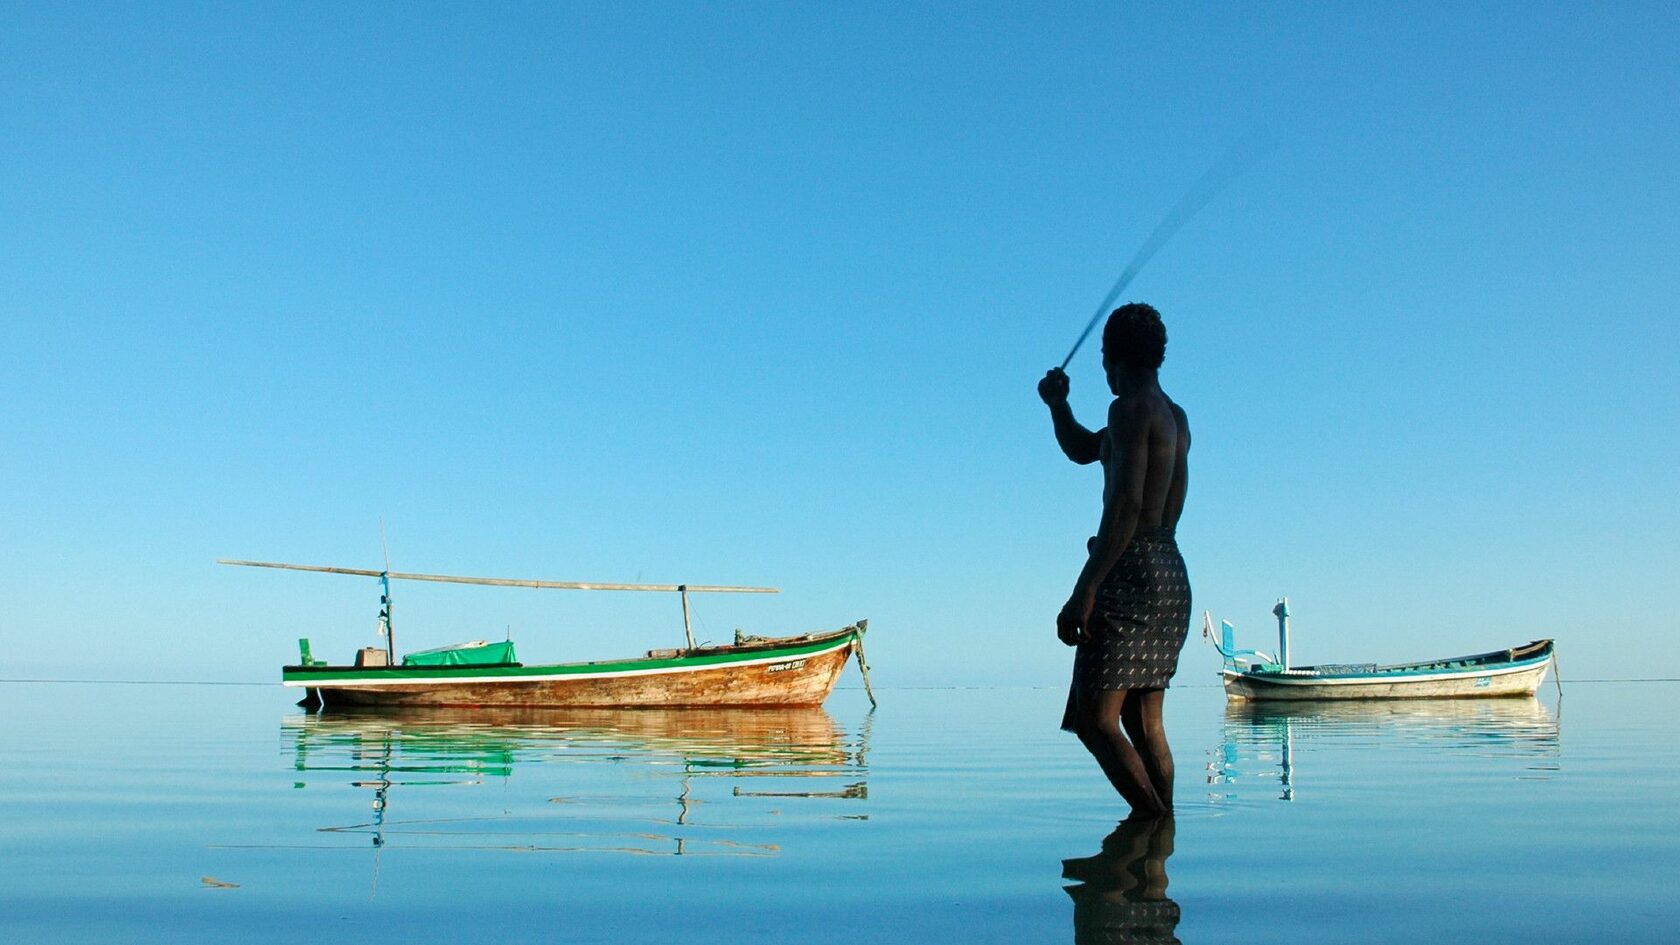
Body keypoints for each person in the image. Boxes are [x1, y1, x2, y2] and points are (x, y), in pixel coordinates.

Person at [1038, 302, 1190, 815]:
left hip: (1131, 566)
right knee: (1145, 723)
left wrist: (1085, 590)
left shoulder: (1127, 410)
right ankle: (1158, 860)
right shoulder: (1173, 416)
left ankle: (1151, 826)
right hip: (1170, 568)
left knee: (1094, 718)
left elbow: (1124, 504)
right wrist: (1059, 405)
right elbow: (1087, 450)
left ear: (1112, 357)